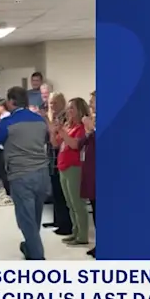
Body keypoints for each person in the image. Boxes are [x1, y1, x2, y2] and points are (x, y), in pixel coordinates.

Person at [0, 86, 50, 260]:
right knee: (35, 217)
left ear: (10, 101)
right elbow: (45, 139)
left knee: (26, 219)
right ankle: (30, 247)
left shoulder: (8, 123)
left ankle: (38, 258)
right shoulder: (39, 120)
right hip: (42, 173)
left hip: (21, 175)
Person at [51, 97, 92, 246]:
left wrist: (62, 131)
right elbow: (56, 143)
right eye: (68, 108)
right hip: (63, 166)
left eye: (72, 108)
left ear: (79, 110)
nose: (68, 111)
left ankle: (82, 235)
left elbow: (75, 145)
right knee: (69, 203)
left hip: (74, 167)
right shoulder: (69, 126)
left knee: (77, 203)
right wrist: (54, 131)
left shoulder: (81, 128)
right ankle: (75, 231)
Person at [42, 92, 72, 236]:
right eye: (50, 103)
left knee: (62, 193)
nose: (52, 106)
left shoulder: (64, 117)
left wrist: (45, 120)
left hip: (61, 157)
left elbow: (56, 137)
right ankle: (57, 220)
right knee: (55, 191)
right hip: (52, 158)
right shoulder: (55, 117)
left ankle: (65, 224)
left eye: (54, 103)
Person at [80, 91, 97, 258]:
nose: (90, 105)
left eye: (93, 101)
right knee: (95, 208)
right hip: (91, 168)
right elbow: (83, 142)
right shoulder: (93, 120)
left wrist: (93, 130)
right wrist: (87, 131)